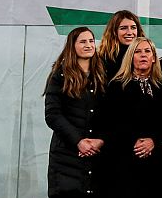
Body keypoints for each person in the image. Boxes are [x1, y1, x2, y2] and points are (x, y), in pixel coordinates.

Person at [44, 27, 106, 198]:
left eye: (91, 41)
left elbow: (112, 114)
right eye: (83, 41)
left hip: (97, 155)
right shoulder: (59, 76)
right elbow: (52, 114)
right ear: (73, 46)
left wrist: (100, 140)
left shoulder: (103, 75)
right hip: (66, 156)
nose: (88, 45)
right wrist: (78, 141)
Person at [104, 37, 162, 198]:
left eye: (147, 51)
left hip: (156, 163)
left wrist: (154, 141)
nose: (143, 55)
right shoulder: (116, 86)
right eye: (138, 52)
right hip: (124, 161)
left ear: (153, 58)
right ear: (131, 57)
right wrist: (136, 143)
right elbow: (110, 123)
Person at [98, 10, 145, 79]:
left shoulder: (146, 54)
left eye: (133, 28)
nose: (129, 32)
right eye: (123, 28)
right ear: (114, 31)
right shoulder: (103, 57)